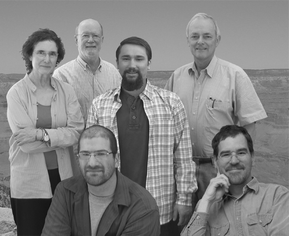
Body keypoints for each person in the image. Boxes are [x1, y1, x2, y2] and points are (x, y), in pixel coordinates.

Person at [87, 36, 197, 236]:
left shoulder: (171, 103)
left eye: (139, 59)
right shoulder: (99, 105)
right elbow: (90, 159)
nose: (132, 65)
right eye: (126, 59)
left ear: (148, 63)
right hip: (113, 210)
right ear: (117, 64)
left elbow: (183, 158)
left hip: (159, 208)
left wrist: (184, 200)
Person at [165, 13, 267, 205]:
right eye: (195, 36)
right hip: (180, 168)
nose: (200, 42)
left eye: (207, 36)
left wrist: (237, 165)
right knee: (184, 227)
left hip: (219, 168)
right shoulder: (176, 77)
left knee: (220, 223)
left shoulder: (235, 76)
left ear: (217, 40)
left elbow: (249, 125)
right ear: (188, 40)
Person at [6, 28, 84, 235]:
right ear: (30, 55)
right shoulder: (16, 93)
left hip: (64, 179)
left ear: (58, 58)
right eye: (41, 52)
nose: (47, 59)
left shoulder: (66, 91)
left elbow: (76, 131)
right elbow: (26, 144)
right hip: (30, 183)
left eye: (52, 54)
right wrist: (60, 135)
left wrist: (40, 134)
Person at [41, 125, 160, 235]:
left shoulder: (143, 207)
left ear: (116, 159)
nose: (92, 163)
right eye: (85, 154)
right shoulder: (65, 191)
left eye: (101, 154)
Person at [181, 125, 289, 236]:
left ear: (252, 157)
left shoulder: (278, 196)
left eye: (241, 153)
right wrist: (206, 201)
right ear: (215, 162)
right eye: (226, 154)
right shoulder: (206, 207)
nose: (234, 161)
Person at [53, 18, 121, 122]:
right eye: (85, 35)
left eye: (95, 36)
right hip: (75, 138)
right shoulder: (61, 76)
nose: (90, 40)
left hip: (109, 137)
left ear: (102, 40)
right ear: (76, 40)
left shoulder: (114, 74)